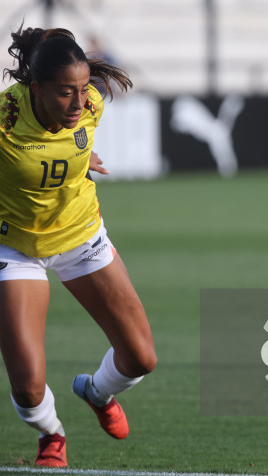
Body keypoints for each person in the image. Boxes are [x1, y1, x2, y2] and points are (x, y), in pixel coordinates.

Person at [0, 26, 155, 468]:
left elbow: (69, 145)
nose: (80, 101)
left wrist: (81, 160)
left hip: (81, 236)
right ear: (37, 89)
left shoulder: (92, 107)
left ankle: (96, 391)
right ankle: (52, 433)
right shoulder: (4, 123)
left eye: (84, 88)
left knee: (141, 358)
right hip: (16, 249)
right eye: (66, 92)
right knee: (28, 387)